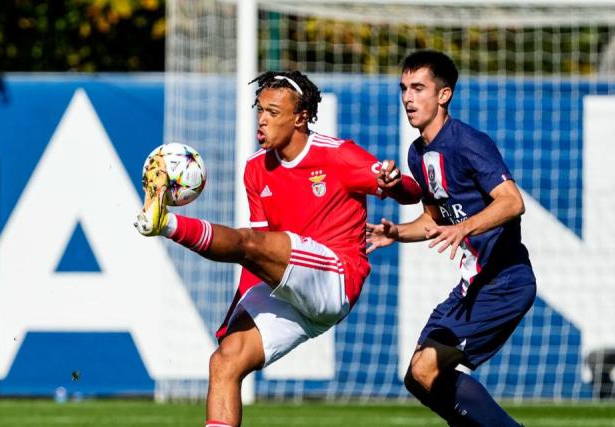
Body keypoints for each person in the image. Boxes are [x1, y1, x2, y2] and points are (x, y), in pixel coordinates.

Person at [134, 70, 422, 427]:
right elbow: (254, 255)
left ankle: (165, 223)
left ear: (300, 117)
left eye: (273, 112)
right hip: (289, 287)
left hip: (335, 277)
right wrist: (237, 313)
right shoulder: (256, 168)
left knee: (256, 243)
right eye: (260, 110)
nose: (262, 120)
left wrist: (393, 184)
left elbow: (413, 193)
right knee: (225, 361)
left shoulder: (337, 155)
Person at [366, 50, 536, 427]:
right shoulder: (417, 154)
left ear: (444, 95)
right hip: (472, 284)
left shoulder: (469, 143)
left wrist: (465, 227)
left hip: (504, 281)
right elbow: (434, 218)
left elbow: (512, 202)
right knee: (417, 377)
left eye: (418, 88)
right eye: (404, 88)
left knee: (427, 368)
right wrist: (397, 232)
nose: (408, 98)